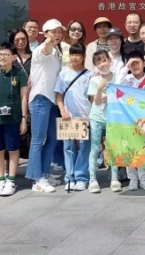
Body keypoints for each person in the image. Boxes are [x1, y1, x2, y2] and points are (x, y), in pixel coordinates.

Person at [0, 43, 29, 198]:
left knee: (12, 149)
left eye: (5, 54)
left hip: (13, 117)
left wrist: (24, 118)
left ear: (14, 57)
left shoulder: (20, 74)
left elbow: (23, 97)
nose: (2, 57)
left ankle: (11, 180)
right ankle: (0, 180)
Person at [27, 19, 65, 193]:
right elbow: (45, 51)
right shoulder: (40, 49)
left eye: (59, 32)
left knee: (53, 138)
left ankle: (44, 173)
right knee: (38, 139)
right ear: (46, 33)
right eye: (53, 32)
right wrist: (48, 42)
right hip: (40, 98)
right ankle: (37, 180)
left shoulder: (57, 51)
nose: (57, 35)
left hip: (52, 100)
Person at [55, 43, 93, 192]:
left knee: (84, 147)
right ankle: (70, 178)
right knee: (69, 148)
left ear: (83, 56)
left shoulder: (89, 74)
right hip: (68, 116)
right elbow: (59, 96)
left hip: (85, 115)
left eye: (78, 54)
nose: (74, 57)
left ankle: (81, 177)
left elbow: (91, 97)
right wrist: (62, 111)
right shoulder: (63, 73)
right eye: (72, 54)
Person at [118, 51, 145, 191]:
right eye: (132, 64)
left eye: (137, 62)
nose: (135, 66)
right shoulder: (126, 79)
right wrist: (126, 67)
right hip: (128, 119)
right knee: (129, 149)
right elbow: (116, 84)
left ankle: (144, 179)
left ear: (144, 63)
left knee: (144, 149)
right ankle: (132, 179)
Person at [87, 50, 121, 193]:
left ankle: (115, 178)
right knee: (95, 148)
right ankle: (92, 179)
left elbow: (122, 96)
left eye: (104, 60)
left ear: (109, 60)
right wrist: (100, 89)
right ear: (95, 65)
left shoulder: (117, 77)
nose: (102, 64)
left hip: (113, 118)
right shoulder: (94, 80)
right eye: (98, 62)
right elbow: (95, 101)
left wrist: (112, 97)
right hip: (96, 117)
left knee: (112, 147)